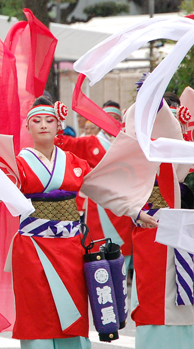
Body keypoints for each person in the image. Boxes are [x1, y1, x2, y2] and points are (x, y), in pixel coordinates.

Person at [0, 97, 157, 349]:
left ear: (59, 125)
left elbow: (103, 190)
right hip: (32, 248)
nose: (43, 125)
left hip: (71, 247)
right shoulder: (20, 163)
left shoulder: (73, 162)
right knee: (36, 308)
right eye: (36, 121)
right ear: (27, 128)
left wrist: (135, 212)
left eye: (49, 120)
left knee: (72, 306)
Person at [126, 92, 194, 348]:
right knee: (151, 299)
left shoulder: (175, 150)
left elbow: (188, 167)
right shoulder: (133, 144)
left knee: (176, 300)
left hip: (175, 225)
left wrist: (185, 132)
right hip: (148, 227)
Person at [55, 101, 134, 270]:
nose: (110, 122)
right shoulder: (90, 142)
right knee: (98, 246)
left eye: (114, 118)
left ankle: (122, 276)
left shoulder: (128, 142)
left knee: (124, 245)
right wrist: (58, 123)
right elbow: (64, 143)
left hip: (123, 200)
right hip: (98, 203)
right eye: (106, 118)